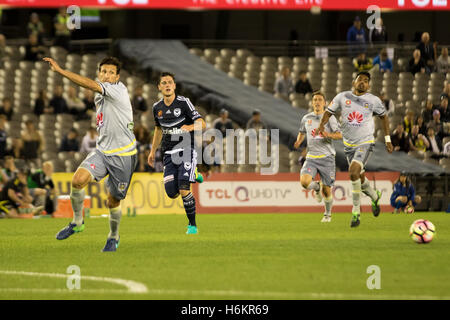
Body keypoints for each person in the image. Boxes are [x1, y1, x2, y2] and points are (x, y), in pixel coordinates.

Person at [44, 56, 138, 252]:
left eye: (111, 72)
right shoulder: (99, 95)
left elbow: (88, 84)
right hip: (103, 151)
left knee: (112, 201)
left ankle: (113, 236)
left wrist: (61, 71)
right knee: (77, 180)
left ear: (117, 77)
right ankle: (78, 222)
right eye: (103, 71)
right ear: (99, 73)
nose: (107, 75)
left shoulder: (117, 89)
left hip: (123, 155)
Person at [318, 71, 393, 227]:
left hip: (365, 142)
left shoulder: (373, 100)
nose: (363, 83)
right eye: (360, 80)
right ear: (354, 82)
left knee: (353, 172)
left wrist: (387, 139)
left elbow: (384, 117)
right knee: (359, 177)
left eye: (366, 81)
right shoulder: (342, 97)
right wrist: (321, 124)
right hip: (349, 145)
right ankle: (375, 196)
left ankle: (356, 212)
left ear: (369, 85)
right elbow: (328, 112)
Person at [148, 72, 206, 235]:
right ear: (159, 87)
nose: (167, 85)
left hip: (186, 149)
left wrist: (191, 127)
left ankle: (192, 226)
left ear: (174, 86)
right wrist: (152, 151)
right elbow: (158, 129)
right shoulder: (156, 108)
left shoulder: (184, 103)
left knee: (183, 188)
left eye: (170, 82)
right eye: (164, 83)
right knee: (171, 193)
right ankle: (193, 174)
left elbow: (202, 122)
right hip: (168, 153)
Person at [293, 91, 342, 223]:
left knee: (327, 191)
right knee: (304, 182)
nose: (317, 102)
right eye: (315, 99)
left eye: (320, 99)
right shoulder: (306, 118)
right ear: (312, 102)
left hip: (327, 158)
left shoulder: (330, 118)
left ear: (324, 103)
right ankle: (316, 187)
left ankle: (327, 214)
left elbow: (340, 135)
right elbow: (302, 132)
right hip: (311, 158)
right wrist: (299, 141)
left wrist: (328, 135)